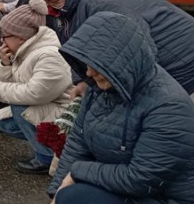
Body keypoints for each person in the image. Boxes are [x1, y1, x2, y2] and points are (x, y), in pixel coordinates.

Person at [48, 12, 194, 204]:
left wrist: (78, 172)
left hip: (163, 197)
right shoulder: (103, 85)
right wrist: (55, 192)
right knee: (65, 195)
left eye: (96, 65)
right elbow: (78, 143)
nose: (89, 72)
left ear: (120, 62)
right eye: (86, 64)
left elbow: (141, 179)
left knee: (74, 197)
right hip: (127, 185)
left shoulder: (168, 107)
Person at [28, 0, 194, 96]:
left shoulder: (100, 2)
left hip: (181, 60)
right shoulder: (75, 4)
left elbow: (136, 52)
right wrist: (84, 80)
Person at [0, 0, 73, 175]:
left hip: (64, 113)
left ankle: (46, 157)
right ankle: (45, 146)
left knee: (18, 104)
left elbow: (33, 93)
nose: (2, 41)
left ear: (21, 37)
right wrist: (5, 64)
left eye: (5, 37)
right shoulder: (27, 50)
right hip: (48, 108)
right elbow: (11, 85)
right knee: (6, 124)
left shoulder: (49, 55)